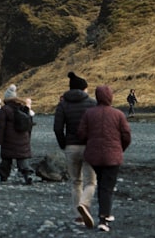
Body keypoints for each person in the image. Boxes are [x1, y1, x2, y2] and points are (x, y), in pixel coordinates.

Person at [77, 85, 132, 232]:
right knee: (106, 187)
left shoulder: (89, 114)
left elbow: (81, 134)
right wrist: (120, 149)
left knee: (102, 184)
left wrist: (90, 142)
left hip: (94, 156)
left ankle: (104, 215)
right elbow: (126, 135)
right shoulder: (118, 114)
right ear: (111, 97)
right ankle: (104, 218)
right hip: (113, 156)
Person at [54, 72, 98, 228]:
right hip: (89, 146)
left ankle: (78, 216)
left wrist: (63, 144)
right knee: (91, 182)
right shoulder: (92, 103)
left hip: (71, 146)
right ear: (83, 89)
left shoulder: (63, 104)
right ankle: (84, 204)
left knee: (75, 182)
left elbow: (57, 128)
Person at [0, 84, 34, 184]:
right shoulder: (22, 108)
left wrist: (0, 140)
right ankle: (27, 175)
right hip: (23, 138)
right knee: (22, 158)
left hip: (9, 139)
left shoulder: (5, 109)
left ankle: (3, 177)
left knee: (6, 159)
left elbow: (1, 126)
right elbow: (29, 124)